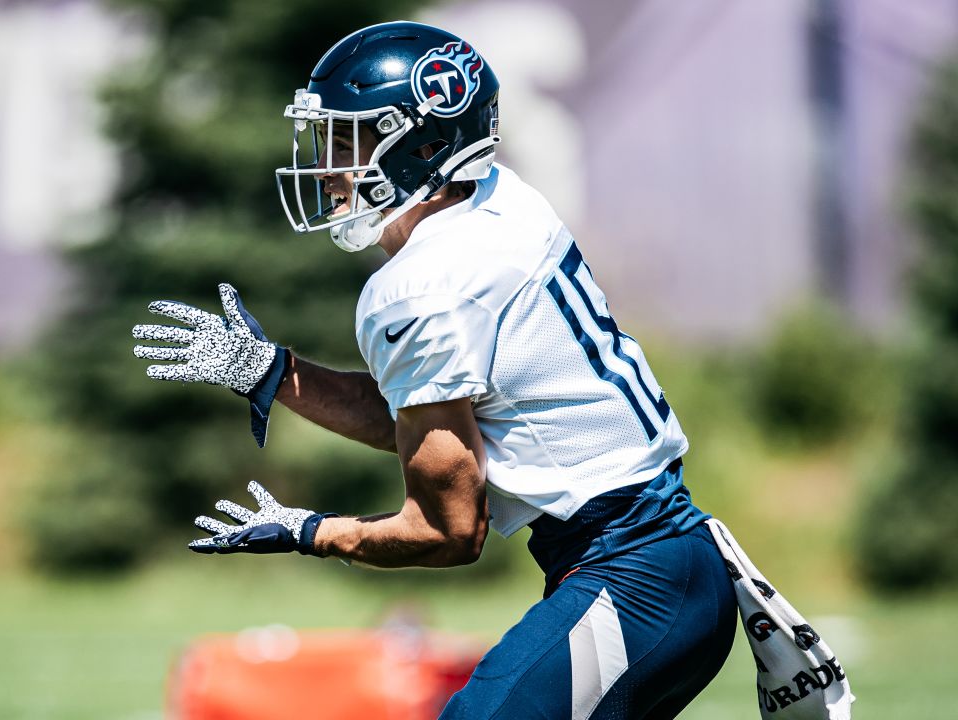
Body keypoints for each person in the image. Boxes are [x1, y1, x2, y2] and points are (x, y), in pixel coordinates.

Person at [132, 21, 738, 718]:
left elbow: (449, 531)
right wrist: (276, 372)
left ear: (419, 146)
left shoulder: (422, 285)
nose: (327, 165)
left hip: (632, 577)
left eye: (345, 139)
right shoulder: (501, 200)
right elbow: (433, 413)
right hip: (664, 558)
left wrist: (310, 531)